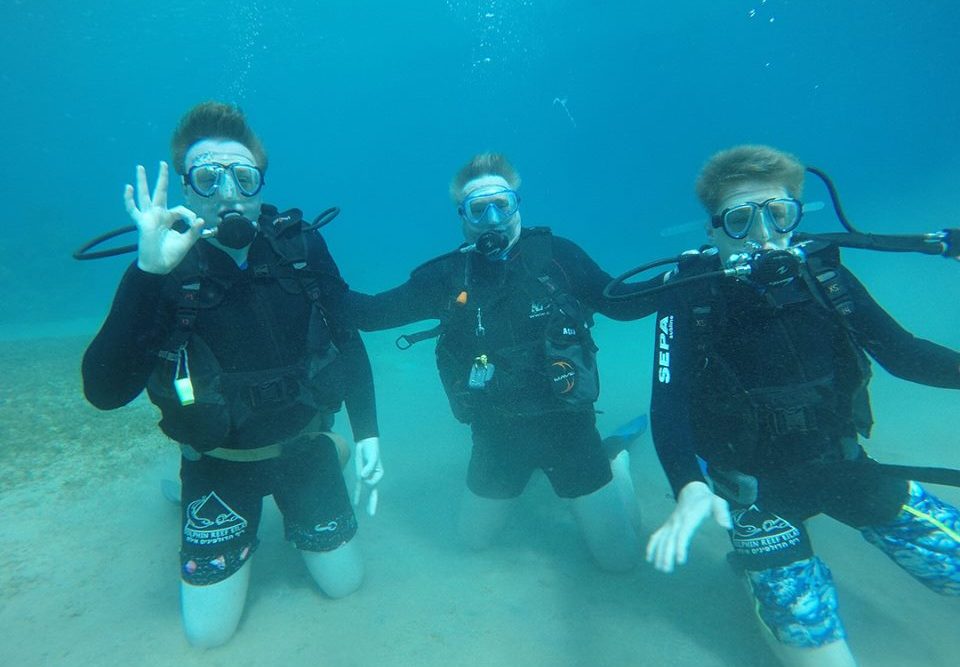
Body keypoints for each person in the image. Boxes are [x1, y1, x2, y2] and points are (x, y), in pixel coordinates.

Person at [81, 101, 384, 648]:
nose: (227, 193)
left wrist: (366, 432)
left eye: (243, 177)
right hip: (217, 463)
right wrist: (146, 274)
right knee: (209, 634)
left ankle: (333, 449)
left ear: (260, 186)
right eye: (207, 176)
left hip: (302, 447)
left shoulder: (300, 247)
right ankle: (181, 487)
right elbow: (104, 392)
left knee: (345, 586)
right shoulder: (165, 264)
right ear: (185, 188)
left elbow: (347, 335)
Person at [644, 144, 960, 666]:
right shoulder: (688, 298)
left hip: (843, 465)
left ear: (796, 216)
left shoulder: (824, 278)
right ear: (713, 230)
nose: (765, 235)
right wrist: (689, 487)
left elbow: (903, 355)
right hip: (755, 494)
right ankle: (753, 571)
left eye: (779, 215)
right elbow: (669, 407)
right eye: (742, 220)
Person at [346, 153, 656, 572]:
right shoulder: (446, 277)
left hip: (570, 430)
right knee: (472, 542)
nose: (492, 218)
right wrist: (308, 270)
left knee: (618, 561)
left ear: (517, 205)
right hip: (495, 437)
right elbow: (371, 314)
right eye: (479, 209)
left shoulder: (557, 257)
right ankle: (531, 478)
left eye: (502, 205)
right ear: (463, 217)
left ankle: (615, 462)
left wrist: (682, 278)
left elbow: (619, 304)